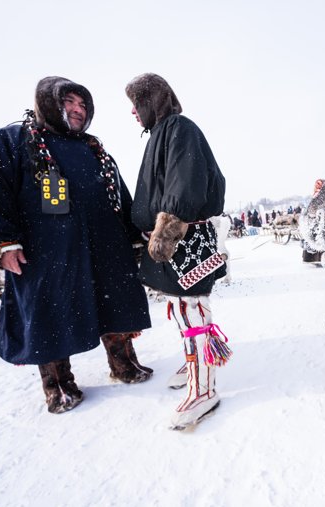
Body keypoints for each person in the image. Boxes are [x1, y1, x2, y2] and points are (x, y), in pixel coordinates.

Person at [0, 77, 152, 414]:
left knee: (116, 301)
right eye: (69, 102)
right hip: (46, 253)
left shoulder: (94, 149)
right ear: (47, 103)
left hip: (104, 246)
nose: (77, 110)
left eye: (83, 105)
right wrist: (1, 242)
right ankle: (59, 386)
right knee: (50, 313)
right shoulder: (14, 141)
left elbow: (119, 198)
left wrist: (134, 233)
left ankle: (124, 364)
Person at [125, 73, 230, 430]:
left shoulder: (179, 128)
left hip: (185, 240)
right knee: (182, 310)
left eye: (136, 105)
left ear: (150, 101)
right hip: (173, 243)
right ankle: (195, 363)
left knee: (192, 310)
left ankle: (204, 388)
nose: (134, 114)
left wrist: (166, 231)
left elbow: (185, 183)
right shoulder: (160, 134)